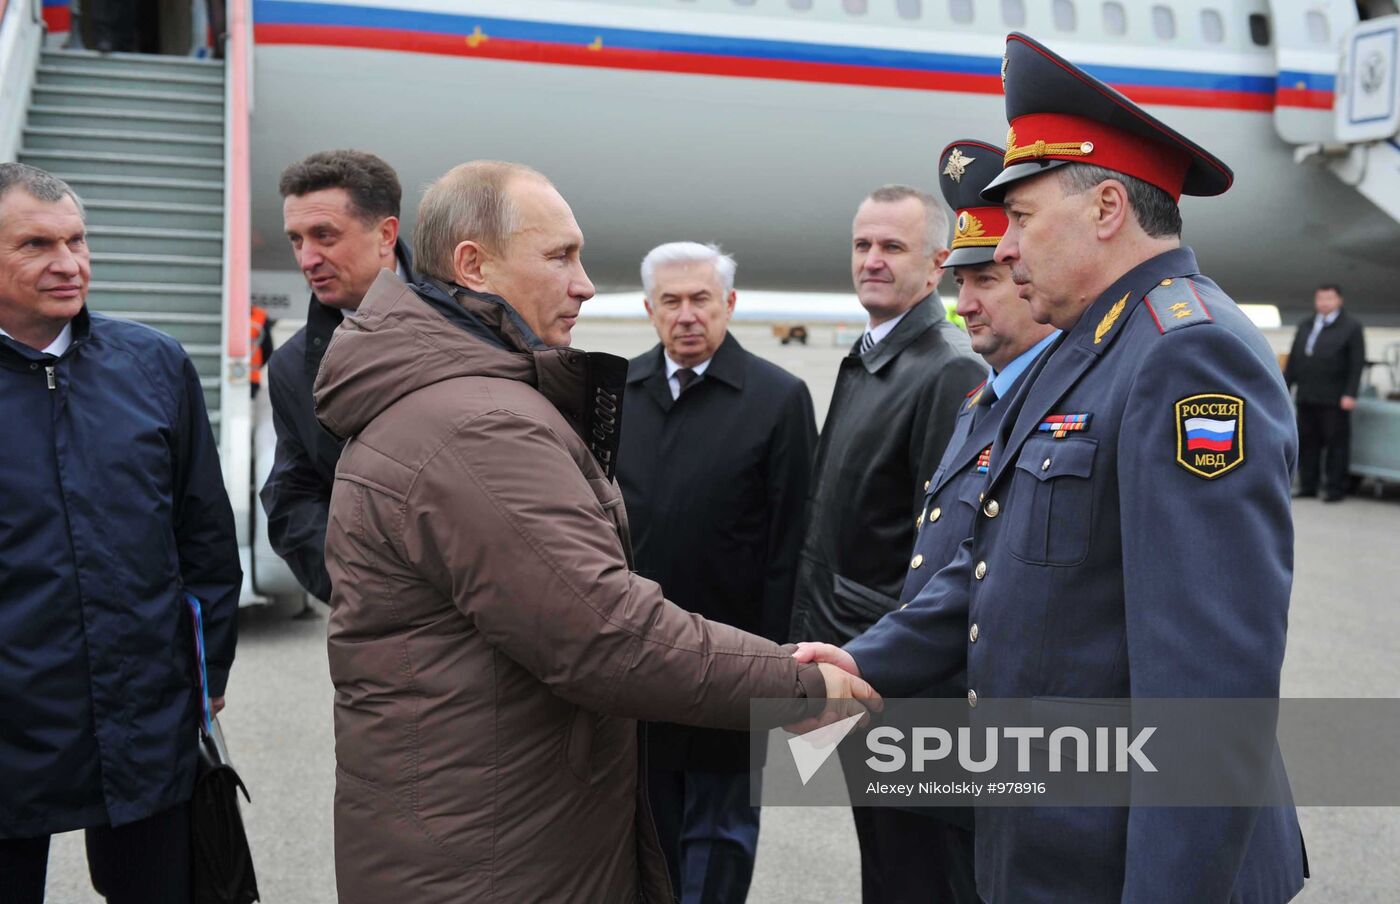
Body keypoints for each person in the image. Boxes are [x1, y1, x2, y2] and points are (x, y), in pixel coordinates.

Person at [798, 32, 1307, 903]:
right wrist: (862, 659)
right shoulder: (1087, 350)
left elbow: (1207, 686)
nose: (1011, 250)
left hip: (1122, 862)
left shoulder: (1187, 355)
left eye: (1024, 220)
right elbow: (989, 566)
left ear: (1107, 208)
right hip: (1044, 841)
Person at [312, 160, 874, 903]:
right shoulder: (478, 426)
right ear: (474, 266)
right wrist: (802, 685)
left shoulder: (467, 403)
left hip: (491, 829)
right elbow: (609, 634)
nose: (583, 284)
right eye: (559, 257)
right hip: (490, 857)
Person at [0, 163, 241, 903]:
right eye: (36, 245)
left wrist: (208, 672)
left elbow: (204, 532)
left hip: (145, 716)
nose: (69, 264)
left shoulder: (154, 363)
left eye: (77, 240)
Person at [859, 137, 1061, 903]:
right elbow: (954, 569)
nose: (963, 303)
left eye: (985, 281)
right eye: (960, 281)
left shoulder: (1058, 404)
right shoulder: (984, 402)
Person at [785, 184, 983, 902]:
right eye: (862, 245)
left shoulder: (948, 369)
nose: (871, 260)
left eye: (892, 247)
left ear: (936, 267)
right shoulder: (871, 357)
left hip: (902, 688)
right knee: (887, 866)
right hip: (854, 664)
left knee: (918, 874)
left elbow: (945, 554)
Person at [616, 242, 818, 903]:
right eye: (670, 301)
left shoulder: (778, 398)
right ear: (649, 310)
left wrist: (781, 666)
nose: (687, 315)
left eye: (701, 299)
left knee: (722, 834)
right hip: (639, 660)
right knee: (649, 828)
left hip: (735, 659)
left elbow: (794, 542)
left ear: (728, 304)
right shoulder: (619, 396)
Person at [259, 149, 412, 604]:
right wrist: (362, 589)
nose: (307, 259)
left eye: (324, 235)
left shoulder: (472, 318)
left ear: (386, 234)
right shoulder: (292, 366)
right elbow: (293, 496)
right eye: (296, 240)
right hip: (389, 625)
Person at [1284, 284, 1365, 502]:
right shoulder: (1306, 324)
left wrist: (1350, 393)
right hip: (1307, 394)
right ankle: (1308, 485)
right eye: (1320, 298)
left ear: (1339, 300)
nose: (1324, 303)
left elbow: (1357, 363)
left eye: (1329, 298)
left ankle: (1335, 488)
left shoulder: (1351, 327)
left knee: (1336, 444)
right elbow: (1294, 359)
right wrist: (1285, 386)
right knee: (1308, 442)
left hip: (1335, 397)